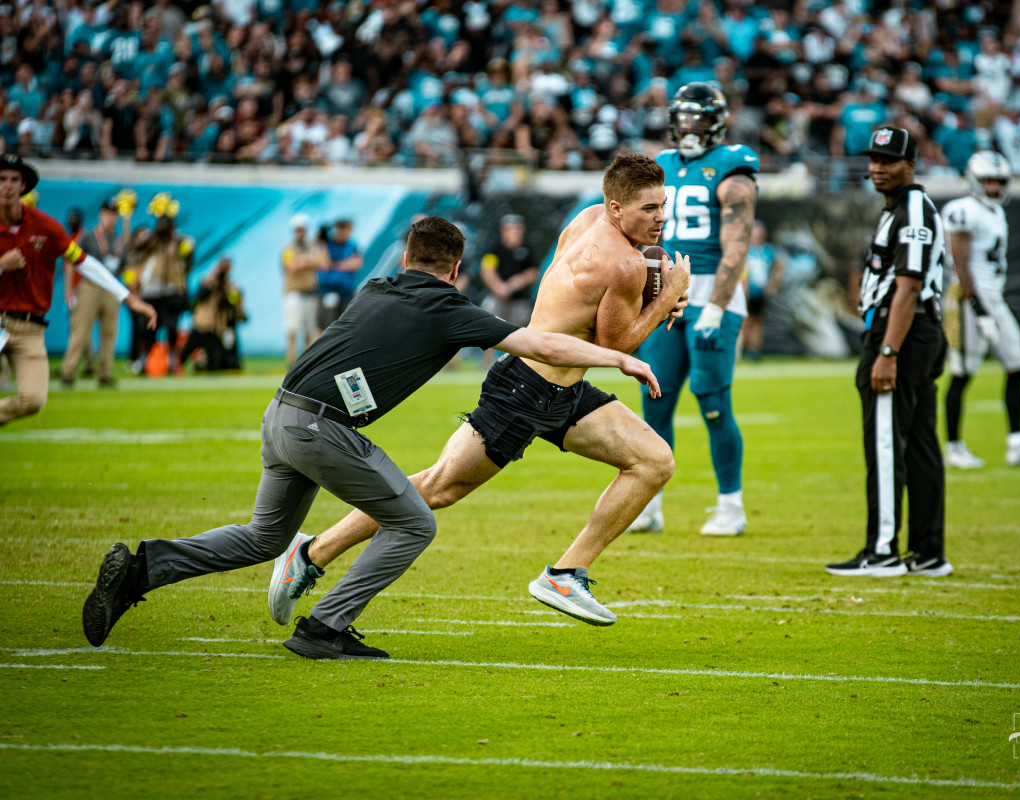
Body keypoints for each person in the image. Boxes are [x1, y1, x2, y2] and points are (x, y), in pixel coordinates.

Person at [82, 215, 668, 661]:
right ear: (457, 269)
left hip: (279, 416)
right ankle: (325, 628)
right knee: (416, 522)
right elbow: (542, 345)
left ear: (407, 255)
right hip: (321, 430)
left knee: (264, 537)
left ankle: (143, 568)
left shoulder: (375, 285)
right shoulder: (450, 309)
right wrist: (620, 360)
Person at [264, 154, 690, 629]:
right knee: (439, 486)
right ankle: (311, 551)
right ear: (616, 207)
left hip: (563, 391)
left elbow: (585, 308)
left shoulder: (588, 218)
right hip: (524, 391)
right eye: (648, 209)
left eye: (662, 205)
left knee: (653, 461)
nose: (660, 218)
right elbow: (618, 344)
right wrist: (667, 297)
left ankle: (566, 572)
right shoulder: (624, 264)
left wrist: (651, 300)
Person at [627, 82, 759, 536]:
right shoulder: (660, 166)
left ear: (717, 121)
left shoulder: (732, 167)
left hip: (710, 294)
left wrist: (718, 307)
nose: (689, 125)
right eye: (683, 115)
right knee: (654, 399)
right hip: (665, 291)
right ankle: (649, 505)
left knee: (712, 399)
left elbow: (737, 244)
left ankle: (731, 506)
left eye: (698, 116)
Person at [826, 127, 950, 578]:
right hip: (914, 332)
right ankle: (929, 551)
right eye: (873, 160)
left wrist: (888, 350)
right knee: (919, 443)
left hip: (902, 332)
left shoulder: (913, 209)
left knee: (885, 441)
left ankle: (882, 551)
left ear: (911, 164)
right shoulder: (897, 208)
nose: (877, 168)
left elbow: (910, 285)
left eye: (889, 160)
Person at [0, 154, 157, 426]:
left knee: (33, 400)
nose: (7, 186)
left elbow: (84, 262)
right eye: (1, 179)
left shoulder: (46, 227)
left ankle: (100, 372)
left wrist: (129, 298)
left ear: (24, 185)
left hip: (30, 328)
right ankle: (72, 370)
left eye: (14, 179)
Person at [940, 151, 1020, 470]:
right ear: (974, 181)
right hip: (970, 300)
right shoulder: (962, 210)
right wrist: (977, 307)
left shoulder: (995, 212)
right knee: (961, 373)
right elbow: (960, 262)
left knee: (1017, 365)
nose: (993, 187)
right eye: (988, 181)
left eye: (998, 181)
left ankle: (1017, 442)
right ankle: (953, 445)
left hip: (995, 300)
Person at [60, 198, 131, 388]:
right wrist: (69, 290)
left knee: (109, 333)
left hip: (110, 288)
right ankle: (68, 371)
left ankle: (105, 373)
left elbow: (124, 266)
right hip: (89, 287)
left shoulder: (118, 241)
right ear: (101, 215)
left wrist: (128, 291)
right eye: (108, 214)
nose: (111, 218)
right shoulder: (89, 236)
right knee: (81, 330)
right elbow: (70, 261)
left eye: (114, 214)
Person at [137, 194, 195, 375]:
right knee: (148, 329)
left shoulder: (182, 240)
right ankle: (144, 359)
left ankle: (171, 359)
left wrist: (171, 237)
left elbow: (188, 261)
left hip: (172, 291)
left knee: (171, 327)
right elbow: (136, 247)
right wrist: (157, 232)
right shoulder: (151, 238)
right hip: (152, 291)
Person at [181, 257, 245, 371]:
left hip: (214, 328)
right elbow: (201, 295)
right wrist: (214, 278)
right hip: (202, 324)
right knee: (186, 352)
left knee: (215, 360)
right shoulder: (208, 281)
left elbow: (228, 303)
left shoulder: (226, 286)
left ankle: (201, 366)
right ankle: (175, 367)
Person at [281, 213, 326, 366]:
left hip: (310, 291)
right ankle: (291, 359)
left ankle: (306, 361)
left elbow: (322, 262)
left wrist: (301, 260)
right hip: (294, 292)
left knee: (309, 329)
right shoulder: (288, 248)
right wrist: (309, 260)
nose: (300, 233)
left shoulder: (312, 246)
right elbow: (290, 267)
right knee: (292, 328)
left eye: (302, 230)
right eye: (298, 230)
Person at [481, 214, 539, 327]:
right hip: (497, 299)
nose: (514, 232)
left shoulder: (527, 249)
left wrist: (519, 281)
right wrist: (499, 287)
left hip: (519, 301)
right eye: (510, 229)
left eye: (517, 229)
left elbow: (533, 272)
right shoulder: (494, 249)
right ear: (503, 231)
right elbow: (487, 270)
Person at [742, 220, 784, 362]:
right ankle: (741, 350)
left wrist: (773, 285)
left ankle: (753, 350)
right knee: (744, 321)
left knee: (757, 321)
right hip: (746, 291)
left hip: (760, 293)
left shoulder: (767, 250)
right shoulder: (744, 249)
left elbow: (779, 267)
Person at [315, 218, 362, 335]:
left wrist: (335, 264)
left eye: (344, 228)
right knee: (324, 325)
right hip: (327, 289)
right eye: (339, 228)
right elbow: (324, 263)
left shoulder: (352, 245)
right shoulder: (327, 244)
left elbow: (356, 264)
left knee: (344, 325)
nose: (341, 232)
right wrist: (321, 241)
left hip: (345, 291)